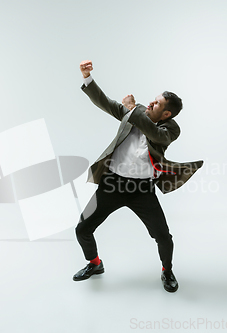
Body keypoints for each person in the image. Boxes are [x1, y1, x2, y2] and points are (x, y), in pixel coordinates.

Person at [73, 60, 203, 292]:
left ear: (166, 113)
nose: (151, 103)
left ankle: (167, 270)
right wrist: (87, 78)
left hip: (141, 190)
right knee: (82, 229)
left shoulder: (171, 129)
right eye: (153, 99)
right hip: (112, 184)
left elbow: (154, 134)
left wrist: (133, 110)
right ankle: (94, 264)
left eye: (157, 103)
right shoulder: (136, 112)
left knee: (163, 236)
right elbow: (105, 103)